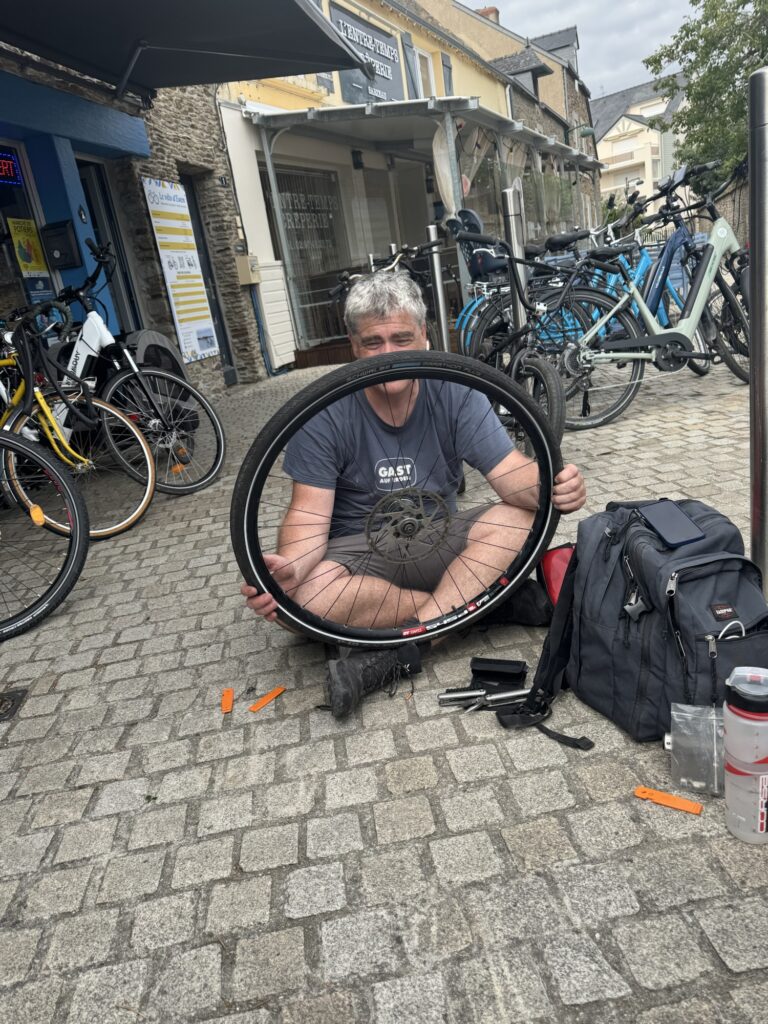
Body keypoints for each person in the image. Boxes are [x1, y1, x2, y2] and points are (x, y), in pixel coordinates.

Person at [242, 272, 586, 716]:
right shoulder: (322, 410)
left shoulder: (456, 389)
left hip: (436, 540)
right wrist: (289, 569)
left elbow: (510, 476)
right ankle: (480, 607)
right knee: (299, 604)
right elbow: (308, 515)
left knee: (522, 520)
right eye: (373, 342)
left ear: (425, 336)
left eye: (401, 339)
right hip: (360, 556)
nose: (389, 355)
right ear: (353, 346)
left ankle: (404, 651)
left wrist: (554, 486)